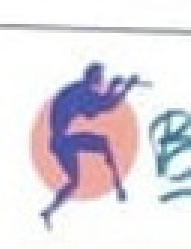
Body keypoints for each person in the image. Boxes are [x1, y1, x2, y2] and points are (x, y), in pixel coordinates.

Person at [39, 61, 146, 229]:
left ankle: (48, 211)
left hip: (61, 140)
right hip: (62, 141)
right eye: (100, 78)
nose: (101, 81)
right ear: (93, 77)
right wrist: (125, 88)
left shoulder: (79, 89)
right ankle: (118, 187)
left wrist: (113, 88)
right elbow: (102, 107)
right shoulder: (80, 92)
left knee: (76, 178)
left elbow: (98, 105)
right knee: (100, 147)